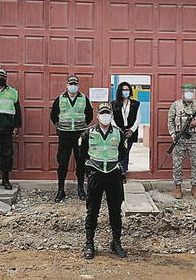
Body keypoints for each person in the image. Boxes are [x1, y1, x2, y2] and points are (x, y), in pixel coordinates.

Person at [79, 103, 127, 259]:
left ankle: (116, 242)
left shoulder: (119, 133)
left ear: (111, 116)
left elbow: (122, 153)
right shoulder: (88, 134)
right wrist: (90, 169)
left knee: (115, 211)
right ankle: (89, 244)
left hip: (113, 174)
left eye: (108, 113)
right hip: (96, 174)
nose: (105, 116)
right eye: (102, 113)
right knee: (92, 210)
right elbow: (82, 154)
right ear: (97, 116)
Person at [49, 75, 93, 203]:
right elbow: (53, 115)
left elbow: (89, 115)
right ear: (67, 85)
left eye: (75, 84)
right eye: (71, 84)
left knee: (81, 162)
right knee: (62, 162)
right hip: (65, 135)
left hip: (79, 135)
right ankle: (61, 190)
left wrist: (82, 126)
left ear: (78, 86)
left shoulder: (84, 99)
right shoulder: (60, 99)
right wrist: (60, 126)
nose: (73, 86)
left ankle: (80, 189)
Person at [167, 83, 196, 200]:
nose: (189, 93)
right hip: (179, 139)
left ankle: (195, 187)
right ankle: (177, 187)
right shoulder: (175, 105)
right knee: (177, 164)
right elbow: (170, 120)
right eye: (187, 91)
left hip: (194, 139)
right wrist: (173, 134)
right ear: (183, 92)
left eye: (191, 91)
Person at [110, 81, 140, 183]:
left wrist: (132, 130)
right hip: (118, 131)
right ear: (120, 91)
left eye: (127, 89)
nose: (125, 91)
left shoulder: (136, 103)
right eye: (123, 90)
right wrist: (117, 129)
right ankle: (117, 171)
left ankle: (123, 172)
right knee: (119, 150)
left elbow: (138, 118)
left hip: (130, 131)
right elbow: (111, 118)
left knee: (126, 151)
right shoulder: (114, 104)